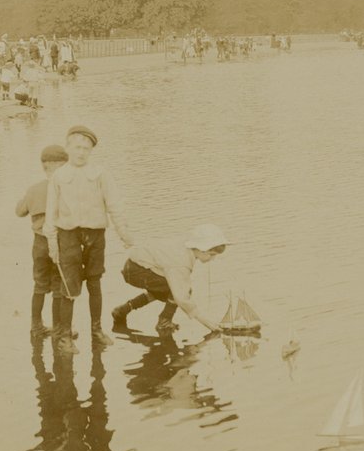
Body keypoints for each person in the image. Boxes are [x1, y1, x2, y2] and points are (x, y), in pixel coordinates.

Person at [42, 125, 132, 354]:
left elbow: (115, 205)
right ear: (68, 148)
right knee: (69, 286)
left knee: (95, 282)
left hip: (95, 235)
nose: (81, 152)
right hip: (68, 235)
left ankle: (97, 330)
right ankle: (64, 336)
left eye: (86, 148)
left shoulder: (101, 174)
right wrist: (52, 243)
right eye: (77, 147)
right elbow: (51, 212)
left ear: (91, 150)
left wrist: (124, 234)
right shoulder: (59, 177)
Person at [112, 224, 228, 333]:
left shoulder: (186, 246)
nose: (213, 259)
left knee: (166, 289)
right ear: (201, 249)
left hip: (135, 265)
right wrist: (207, 322)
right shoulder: (181, 262)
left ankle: (122, 310)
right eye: (211, 254)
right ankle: (164, 322)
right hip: (135, 271)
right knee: (180, 290)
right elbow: (182, 298)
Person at [16, 145, 68, 338]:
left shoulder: (34, 189)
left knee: (39, 285)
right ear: (61, 166)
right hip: (59, 242)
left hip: (38, 243)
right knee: (57, 285)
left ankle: (36, 326)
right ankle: (58, 328)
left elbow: (19, 211)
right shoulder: (65, 189)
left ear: (44, 166)